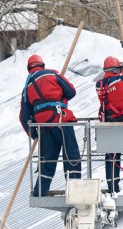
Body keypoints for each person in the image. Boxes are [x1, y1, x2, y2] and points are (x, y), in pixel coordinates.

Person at [19, 54, 81, 196]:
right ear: (43, 65)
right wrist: (61, 97)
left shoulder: (27, 86)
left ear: (29, 68)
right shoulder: (52, 74)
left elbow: (24, 117)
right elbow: (71, 92)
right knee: (71, 156)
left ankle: (40, 191)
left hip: (44, 126)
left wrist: (34, 133)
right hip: (61, 121)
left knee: (47, 160)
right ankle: (75, 191)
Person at [96, 40, 123, 194]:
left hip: (109, 125)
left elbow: (110, 79)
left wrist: (122, 66)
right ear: (117, 69)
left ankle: (113, 189)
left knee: (112, 158)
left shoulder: (100, 85)